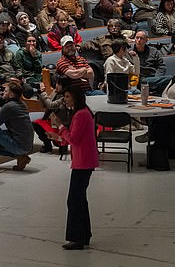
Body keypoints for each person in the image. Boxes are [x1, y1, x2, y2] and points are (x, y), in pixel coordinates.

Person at [47, 85, 97, 250]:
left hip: (83, 161)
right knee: (80, 198)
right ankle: (84, 235)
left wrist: (60, 126)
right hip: (83, 159)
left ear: (75, 97)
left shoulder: (81, 115)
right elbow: (74, 138)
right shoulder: (82, 113)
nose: (65, 99)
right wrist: (58, 135)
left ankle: (77, 238)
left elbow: (74, 139)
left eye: (67, 96)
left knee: (74, 199)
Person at [0, 80, 34, 171]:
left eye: (6, 91)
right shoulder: (22, 103)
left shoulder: (9, 106)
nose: (2, 92)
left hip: (19, 145)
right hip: (27, 145)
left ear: (12, 95)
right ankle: (21, 157)